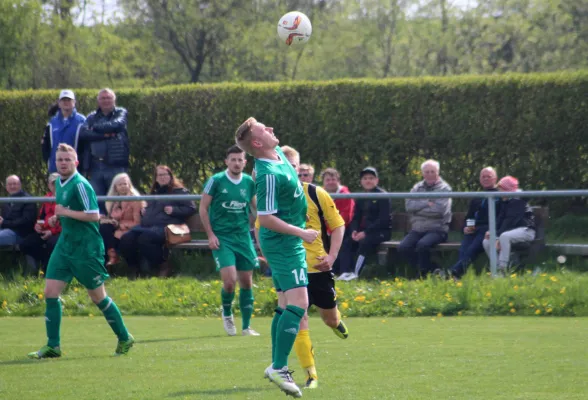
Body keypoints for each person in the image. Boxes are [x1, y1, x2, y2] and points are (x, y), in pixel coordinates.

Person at [235, 117, 318, 398]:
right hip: (283, 242)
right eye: (263, 129)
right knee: (300, 303)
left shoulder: (278, 153)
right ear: (257, 143)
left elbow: (291, 193)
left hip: (288, 238)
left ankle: (275, 364)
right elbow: (266, 219)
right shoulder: (267, 172)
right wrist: (301, 231)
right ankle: (279, 367)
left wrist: (298, 215)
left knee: (285, 303)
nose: (271, 128)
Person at [28, 143, 134, 359]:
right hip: (65, 245)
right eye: (60, 160)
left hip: (86, 248)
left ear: (75, 162)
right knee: (50, 293)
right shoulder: (59, 182)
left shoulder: (81, 184)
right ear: (55, 162)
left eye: (67, 160)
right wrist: (59, 216)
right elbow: (70, 211)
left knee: (98, 297)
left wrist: (65, 211)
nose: (63, 163)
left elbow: (94, 215)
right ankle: (53, 346)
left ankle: (124, 337)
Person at [279, 146, 349, 390]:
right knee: (300, 316)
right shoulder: (272, 196)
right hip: (289, 267)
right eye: (285, 166)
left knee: (329, 318)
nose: (291, 171)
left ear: (299, 168)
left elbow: (338, 225)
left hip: (317, 267)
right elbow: (261, 226)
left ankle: (336, 321)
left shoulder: (316, 194)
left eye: (295, 167)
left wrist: (331, 256)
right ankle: (311, 374)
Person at [199, 145, 260, 337]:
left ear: (245, 162)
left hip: (242, 238)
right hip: (222, 238)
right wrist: (211, 235)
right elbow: (202, 208)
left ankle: (246, 327)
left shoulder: (249, 183)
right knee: (230, 281)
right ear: (227, 161)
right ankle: (227, 313)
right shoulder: (216, 181)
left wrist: (258, 229)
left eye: (240, 159)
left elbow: (258, 210)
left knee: (247, 283)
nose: (236, 163)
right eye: (233, 159)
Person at [119, 165, 196, 278]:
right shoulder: (154, 192)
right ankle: (135, 269)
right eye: (159, 175)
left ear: (170, 176)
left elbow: (191, 208)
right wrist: (144, 211)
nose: (163, 177)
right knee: (126, 239)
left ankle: (162, 265)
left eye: (165, 174)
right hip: (147, 226)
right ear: (156, 178)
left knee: (145, 238)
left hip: (167, 227)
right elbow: (153, 210)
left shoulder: (179, 191)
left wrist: (174, 210)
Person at [398, 160, 452, 277]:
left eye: (433, 171)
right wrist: (427, 203)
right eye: (427, 172)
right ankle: (432, 269)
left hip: (437, 229)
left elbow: (439, 211)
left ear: (438, 172)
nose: (430, 174)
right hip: (417, 229)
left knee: (422, 245)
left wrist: (419, 207)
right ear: (422, 173)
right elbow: (409, 206)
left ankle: (422, 274)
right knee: (403, 247)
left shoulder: (444, 188)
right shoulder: (417, 187)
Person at [337, 167, 391, 281]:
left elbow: (383, 219)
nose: (368, 181)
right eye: (365, 178)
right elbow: (356, 217)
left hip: (381, 232)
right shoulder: (361, 197)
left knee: (365, 243)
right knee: (347, 242)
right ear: (361, 181)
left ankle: (356, 274)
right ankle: (344, 273)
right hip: (363, 232)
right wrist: (354, 231)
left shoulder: (383, 196)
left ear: (377, 180)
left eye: (371, 178)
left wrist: (366, 233)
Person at [79, 88, 129, 211]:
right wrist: (105, 135)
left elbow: (117, 125)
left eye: (108, 98)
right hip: (95, 165)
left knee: (117, 201)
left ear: (114, 100)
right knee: (96, 201)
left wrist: (95, 128)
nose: (106, 100)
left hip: (115, 165)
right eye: (103, 98)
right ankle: (100, 227)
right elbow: (84, 134)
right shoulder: (91, 117)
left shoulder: (120, 112)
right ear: (98, 101)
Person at [449, 167, 499, 279]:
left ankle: (452, 273)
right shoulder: (477, 197)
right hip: (474, 230)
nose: (486, 179)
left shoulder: (499, 196)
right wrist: (465, 228)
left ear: (495, 178)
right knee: (464, 249)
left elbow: (502, 217)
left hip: (488, 230)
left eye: (489, 176)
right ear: (480, 179)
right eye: (483, 177)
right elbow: (469, 217)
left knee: (473, 249)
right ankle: (457, 275)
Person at [483, 176, 535, 270]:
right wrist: (491, 231)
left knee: (504, 237)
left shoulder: (518, 201)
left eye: (501, 189)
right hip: (509, 231)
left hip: (526, 231)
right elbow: (500, 219)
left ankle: (502, 269)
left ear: (508, 189)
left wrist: (498, 236)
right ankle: (497, 267)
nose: (499, 192)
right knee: (486, 241)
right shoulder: (506, 201)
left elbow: (509, 221)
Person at [99, 173, 144, 269]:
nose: (123, 186)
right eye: (120, 184)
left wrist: (120, 225)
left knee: (121, 239)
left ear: (129, 185)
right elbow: (112, 217)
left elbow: (138, 222)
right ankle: (109, 260)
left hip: (129, 229)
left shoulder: (135, 199)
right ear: (115, 187)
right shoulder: (113, 200)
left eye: (125, 184)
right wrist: (106, 220)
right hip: (116, 228)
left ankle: (131, 266)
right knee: (103, 228)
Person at [20, 173, 61, 275]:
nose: (55, 185)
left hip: (59, 231)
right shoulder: (46, 197)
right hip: (45, 230)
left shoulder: (66, 197)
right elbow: (41, 216)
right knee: (26, 243)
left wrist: (51, 232)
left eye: (58, 182)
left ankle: (49, 270)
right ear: (49, 185)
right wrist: (37, 226)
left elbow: (67, 221)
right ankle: (40, 264)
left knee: (52, 244)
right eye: (53, 183)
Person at [42, 90, 86, 174]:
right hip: (55, 169)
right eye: (63, 100)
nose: (66, 102)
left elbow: (85, 146)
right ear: (59, 102)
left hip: (75, 170)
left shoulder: (82, 121)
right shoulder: (52, 122)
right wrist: (48, 160)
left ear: (74, 102)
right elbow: (45, 145)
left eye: (69, 100)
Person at [321, 167, 354, 276]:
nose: (330, 182)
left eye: (333, 179)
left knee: (344, 243)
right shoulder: (319, 193)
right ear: (323, 182)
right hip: (325, 228)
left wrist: (330, 230)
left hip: (344, 228)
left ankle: (344, 272)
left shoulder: (345, 194)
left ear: (338, 181)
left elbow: (346, 217)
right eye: (328, 180)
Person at [0, 175, 36, 247]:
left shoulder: (28, 200)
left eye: (15, 184)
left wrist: (4, 222)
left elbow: (26, 221)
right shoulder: (6, 201)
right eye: (10, 184)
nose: (12, 186)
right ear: (6, 186)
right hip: (4, 230)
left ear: (20, 185)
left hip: (20, 234)